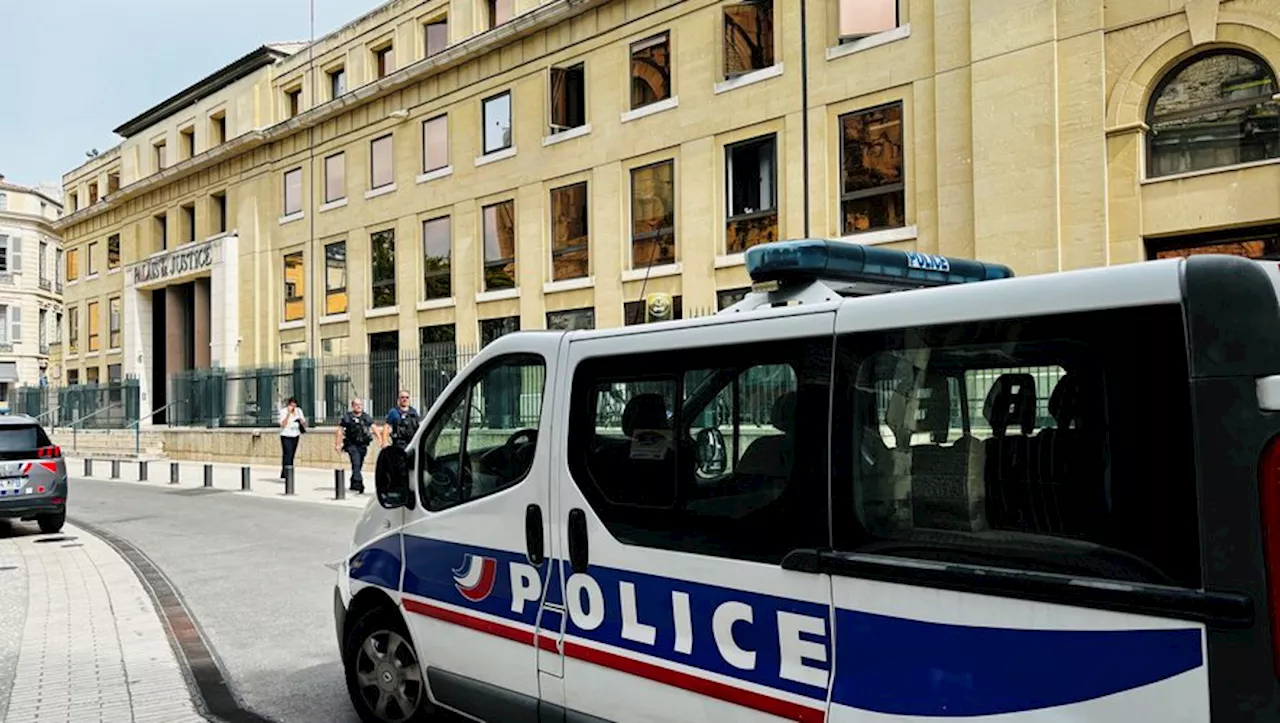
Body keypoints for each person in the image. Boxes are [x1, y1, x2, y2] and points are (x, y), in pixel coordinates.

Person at [335, 397, 374, 494]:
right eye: (356, 405)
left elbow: (374, 427)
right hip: (351, 444)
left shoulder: (366, 417)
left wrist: (381, 440)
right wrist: (338, 444)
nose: (359, 406)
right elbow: (340, 431)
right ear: (352, 406)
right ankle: (358, 484)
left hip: (363, 445)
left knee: (358, 465)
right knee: (356, 463)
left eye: (360, 405)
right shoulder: (347, 417)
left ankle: (353, 483)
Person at [279, 397, 306, 478]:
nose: (293, 407)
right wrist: (288, 414)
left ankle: (286, 471)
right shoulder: (283, 411)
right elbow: (282, 424)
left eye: (294, 405)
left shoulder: (299, 411)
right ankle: (287, 473)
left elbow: (304, 423)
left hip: (295, 434)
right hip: (286, 435)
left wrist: (301, 420)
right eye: (291, 405)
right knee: (288, 453)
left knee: (292, 454)